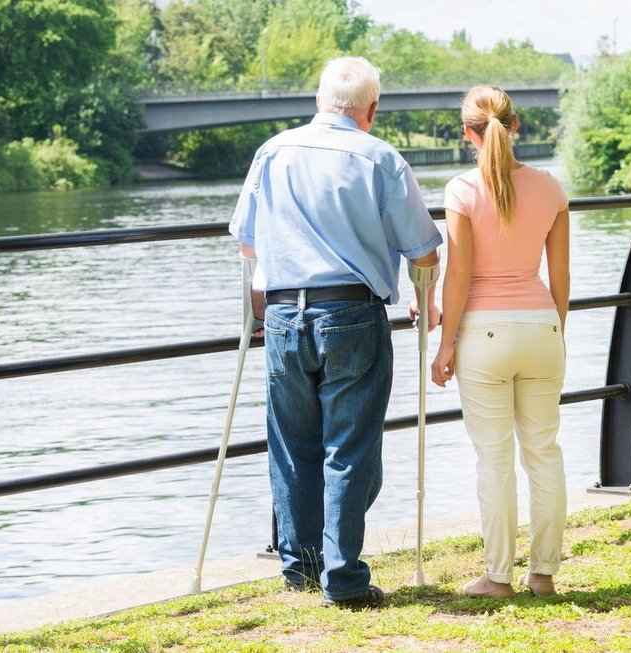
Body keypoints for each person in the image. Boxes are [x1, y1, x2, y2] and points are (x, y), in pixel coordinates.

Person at [228, 56, 441, 609]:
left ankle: (301, 569)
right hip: (351, 314)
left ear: (319, 101)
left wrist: (264, 304)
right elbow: (424, 249)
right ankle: (343, 581)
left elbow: (248, 246)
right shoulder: (381, 158)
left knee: (292, 445)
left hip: (281, 315)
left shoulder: (271, 152)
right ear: (371, 110)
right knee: (349, 449)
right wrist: (419, 287)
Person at [431, 85, 570, 599]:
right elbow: (561, 275)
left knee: (494, 458)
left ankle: (497, 577)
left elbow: (460, 273)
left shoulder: (462, 190)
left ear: (469, 133)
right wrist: (558, 332)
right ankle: (544, 574)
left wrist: (446, 344)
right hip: (541, 327)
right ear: (515, 127)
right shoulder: (552, 189)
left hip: (483, 335)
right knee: (544, 452)